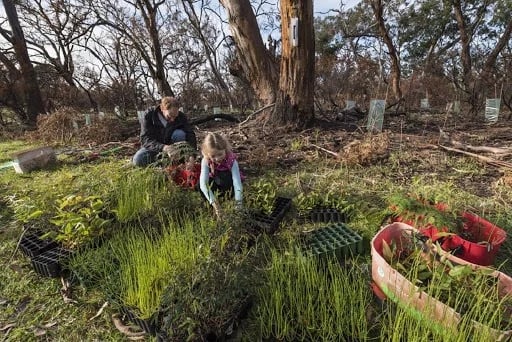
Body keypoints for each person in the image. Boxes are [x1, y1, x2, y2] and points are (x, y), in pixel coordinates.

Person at [132, 96, 197, 167]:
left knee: (179, 134)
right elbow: (145, 139)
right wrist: (163, 147)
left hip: (173, 147)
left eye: (175, 117)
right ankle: (164, 163)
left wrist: (192, 155)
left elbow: (190, 134)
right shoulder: (149, 115)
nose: (172, 120)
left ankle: (178, 161)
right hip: (155, 148)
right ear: (162, 108)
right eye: (169, 116)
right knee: (138, 159)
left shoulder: (181, 117)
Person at [199, 133, 243, 219]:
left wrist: (239, 206)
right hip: (215, 182)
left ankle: (228, 199)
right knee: (199, 185)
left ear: (225, 150)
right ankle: (212, 204)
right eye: (213, 156)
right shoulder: (206, 161)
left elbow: (237, 184)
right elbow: (203, 184)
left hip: (228, 184)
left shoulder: (231, 160)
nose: (217, 158)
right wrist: (215, 204)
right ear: (207, 154)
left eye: (220, 154)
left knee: (224, 178)